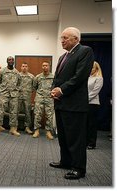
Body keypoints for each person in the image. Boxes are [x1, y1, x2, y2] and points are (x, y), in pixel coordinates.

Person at [50, 27, 94, 180]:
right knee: (63, 137)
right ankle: (66, 161)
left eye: (65, 38)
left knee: (76, 138)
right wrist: (53, 90)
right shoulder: (63, 56)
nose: (62, 41)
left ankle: (78, 168)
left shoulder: (85, 51)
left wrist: (61, 90)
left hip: (75, 105)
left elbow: (79, 76)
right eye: (61, 38)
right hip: (61, 103)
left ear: (76, 39)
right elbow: (56, 78)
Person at [0, 56, 21, 136]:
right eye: (9, 60)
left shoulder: (16, 72)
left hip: (14, 95)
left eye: (12, 60)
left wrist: (16, 90)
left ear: (14, 61)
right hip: (3, 94)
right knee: (0, 110)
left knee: (14, 112)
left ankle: (13, 129)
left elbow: (19, 83)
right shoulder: (2, 71)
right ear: (7, 61)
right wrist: (0, 90)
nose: (11, 61)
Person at [32, 61, 54, 140]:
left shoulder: (53, 77)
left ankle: (48, 132)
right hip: (39, 98)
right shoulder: (38, 77)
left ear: (49, 66)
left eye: (46, 65)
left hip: (49, 98)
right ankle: (36, 130)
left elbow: (55, 88)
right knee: (37, 115)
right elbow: (34, 87)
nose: (45, 67)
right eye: (43, 65)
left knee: (49, 115)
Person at [86, 61, 103, 149]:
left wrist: (85, 100)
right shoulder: (88, 77)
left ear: (96, 69)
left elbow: (95, 92)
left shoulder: (99, 78)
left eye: (92, 68)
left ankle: (91, 143)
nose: (90, 69)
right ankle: (86, 142)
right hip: (85, 103)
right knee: (85, 124)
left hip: (93, 104)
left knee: (91, 125)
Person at [18, 62, 34, 135]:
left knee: (28, 112)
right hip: (18, 96)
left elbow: (34, 87)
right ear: (21, 67)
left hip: (27, 97)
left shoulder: (31, 76)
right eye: (23, 66)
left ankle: (27, 127)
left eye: (26, 66)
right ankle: (14, 126)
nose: (24, 67)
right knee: (15, 111)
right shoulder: (17, 75)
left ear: (28, 68)